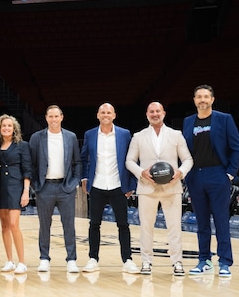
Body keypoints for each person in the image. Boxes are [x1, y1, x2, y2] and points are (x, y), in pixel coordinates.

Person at [126, 102, 194, 276]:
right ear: (147, 114)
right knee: (146, 227)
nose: (155, 114)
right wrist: (142, 172)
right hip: (147, 187)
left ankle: (177, 262)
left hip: (172, 187)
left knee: (174, 227)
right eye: (151, 111)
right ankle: (146, 262)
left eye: (158, 111)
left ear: (164, 113)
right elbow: (129, 161)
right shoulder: (138, 136)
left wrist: (180, 172)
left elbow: (188, 159)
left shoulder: (176, 135)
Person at [183, 85, 239, 277]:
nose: (202, 100)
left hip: (218, 175)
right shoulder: (187, 121)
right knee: (201, 222)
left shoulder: (224, 119)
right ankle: (204, 260)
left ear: (212, 99)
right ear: (194, 100)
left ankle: (225, 261)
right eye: (199, 97)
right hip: (195, 176)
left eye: (206, 97)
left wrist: (229, 174)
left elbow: (237, 148)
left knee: (221, 220)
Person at [80, 103, 136, 273]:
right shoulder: (90, 134)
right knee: (94, 224)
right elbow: (83, 158)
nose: (106, 115)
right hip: (96, 185)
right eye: (103, 112)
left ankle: (127, 260)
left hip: (118, 185)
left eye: (109, 112)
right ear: (98, 115)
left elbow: (133, 158)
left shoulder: (125, 134)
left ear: (114, 115)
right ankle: (92, 258)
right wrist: (84, 178)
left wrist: (131, 184)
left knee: (123, 225)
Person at [29, 105, 82, 273]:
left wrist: (74, 182)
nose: (53, 119)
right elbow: (31, 164)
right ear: (46, 118)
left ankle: (71, 259)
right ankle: (44, 258)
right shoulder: (37, 138)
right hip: (45, 188)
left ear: (61, 117)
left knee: (69, 225)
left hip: (65, 187)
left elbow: (77, 162)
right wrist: (35, 184)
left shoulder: (70, 137)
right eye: (50, 116)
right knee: (44, 225)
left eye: (56, 116)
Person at [0, 114, 31, 274]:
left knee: (14, 224)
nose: (6, 128)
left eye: (9, 125)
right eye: (4, 126)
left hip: (16, 187)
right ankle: (9, 260)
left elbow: (27, 169)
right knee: (4, 225)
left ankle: (22, 261)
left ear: (14, 128)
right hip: (0, 188)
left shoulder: (22, 145)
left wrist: (26, 191)